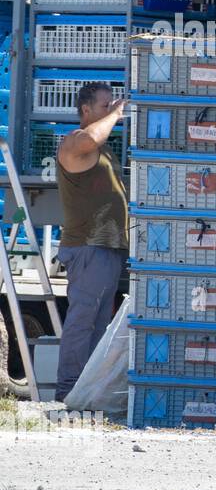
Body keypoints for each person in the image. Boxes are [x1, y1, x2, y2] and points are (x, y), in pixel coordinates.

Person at [54, 82, 128, 402]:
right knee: (82, 322)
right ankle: (67, 390)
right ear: (86, 110)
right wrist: (117, 113)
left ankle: (84, 394)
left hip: (107, 249)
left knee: (99, 328)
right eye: (104, 106)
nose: (110, 110)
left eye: (112, 105)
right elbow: (90, 137)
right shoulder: (74, 143)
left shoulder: (102, 147)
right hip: (88, 246)